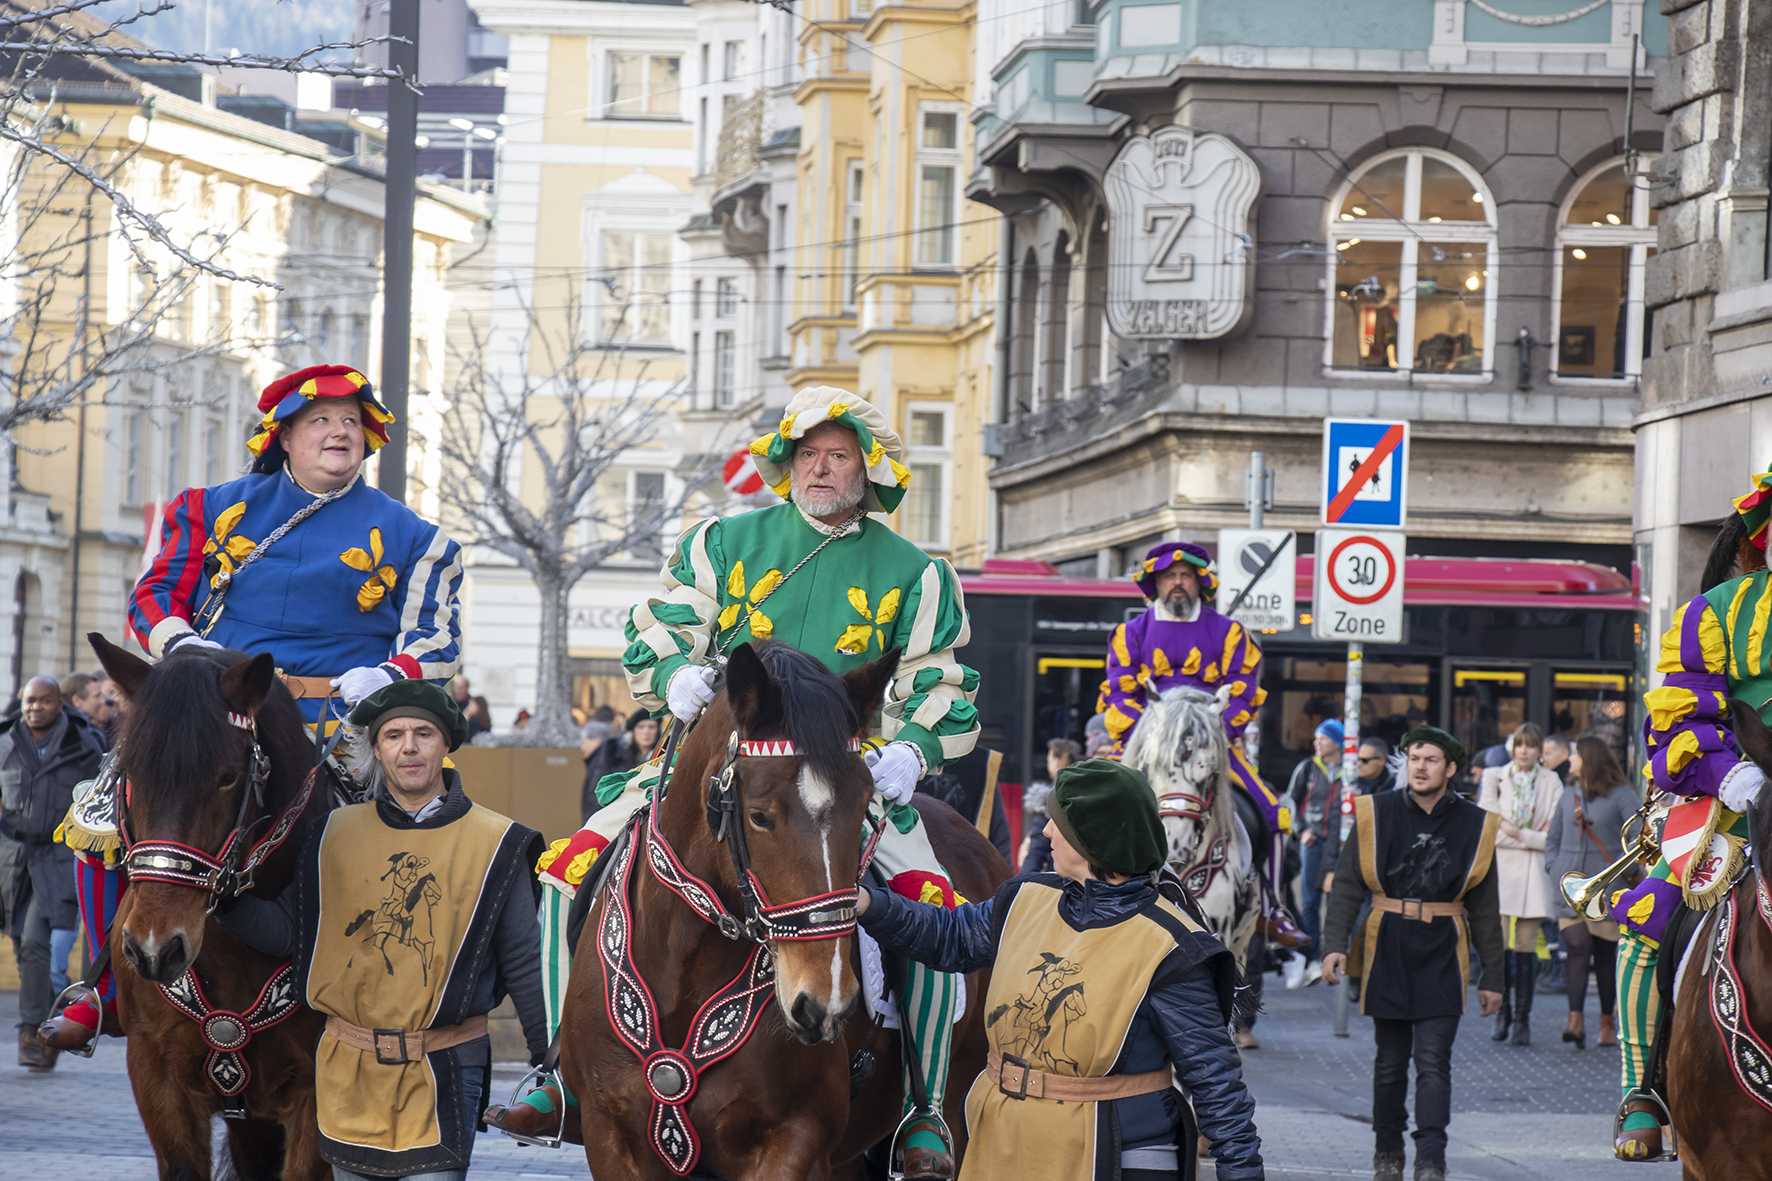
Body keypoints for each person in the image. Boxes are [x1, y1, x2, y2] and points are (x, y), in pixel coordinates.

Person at [499, 388, 979, 1178]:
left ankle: (924, 1108)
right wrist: (674, 673)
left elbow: (944, 681)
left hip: (842, 779)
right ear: (788, 465)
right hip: (713, 762)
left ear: (871, 469)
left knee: (930, 897)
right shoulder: (723, 538)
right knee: (563, 869)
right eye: (809, 455)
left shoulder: (917, 572)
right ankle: (559, 1072)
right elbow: (657, 626)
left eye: (840, 455)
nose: (821, 468)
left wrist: (914, 751)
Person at [44, 363, 466, 1054]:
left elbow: (439, 635)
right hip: (220, 706)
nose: (341, 431)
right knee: (96, 815)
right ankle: (103, 990)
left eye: (352, 422)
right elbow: (153, 595)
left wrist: (389, 672)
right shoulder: (209, 506)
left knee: (418, 840)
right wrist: (182, 644)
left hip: (349, 717)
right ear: (286, 436)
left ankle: (410, 999)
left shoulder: (417, 534)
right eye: (322, 419)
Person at [855, 758, 1264, 1181]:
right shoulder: (1024, 898)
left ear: (1094, 839)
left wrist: (1242, 1172)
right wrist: (867, 904)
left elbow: (1217, 1087)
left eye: (1059, 823)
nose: (1046, 831)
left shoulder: (1173, 949)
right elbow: (947, 936)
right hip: (1002, 1142)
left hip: (1118, 1156)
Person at [218, 680, 548, 1180]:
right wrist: (222, 902)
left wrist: (549, 1062)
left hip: (445, 1068)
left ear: (445, 746)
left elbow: (524, 958)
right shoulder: (331, 834)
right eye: (393, 735)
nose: (409, 747)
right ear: (376, 749)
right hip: (346, 1069)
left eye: (423, 733)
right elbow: (293, 933)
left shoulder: (498, 841)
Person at [1605, 468, 1772, 1160]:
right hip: (1741, 800)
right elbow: (1678, 713)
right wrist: (1726, 771)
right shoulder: (1720, 612)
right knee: (1655, 918)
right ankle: (1640, 1089)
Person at [1320, 727, 1504, 1181]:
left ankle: (1430, 1160)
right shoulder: (1375, 813)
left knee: (1433, 1062)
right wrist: (1333, 946)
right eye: (1414, 758)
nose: (1420, 767)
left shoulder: (1475, 824)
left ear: (1451, 768)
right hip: (1388, 946)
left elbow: (1484, 908)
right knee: (1388, 1063)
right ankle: (1387, 1152)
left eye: (1431, 759)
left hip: (1444, 948)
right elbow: (1346, 885)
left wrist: (1495, 978)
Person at [1099, 541, 1304, 948]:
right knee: (1098, 808)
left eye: (1186, 576)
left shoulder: (1230, 633)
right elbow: (1121, 693)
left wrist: (1214, 733)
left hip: (1214, 742)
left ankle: (1271, 906)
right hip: (1151, 743)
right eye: (1170, 576)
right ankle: (1092, 895)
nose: (1178, 583)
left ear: (1201, 582)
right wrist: (1153, 737)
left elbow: (1244, 690)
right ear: (1155, 582)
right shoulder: (1128, 634)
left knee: (1274, 813)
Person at [0, 675, 103, 1070]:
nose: (35, 708)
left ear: (60, 704)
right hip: (14, 859)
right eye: (29, 701)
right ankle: (48, 1029)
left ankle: (32, 1032)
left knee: (34, 940)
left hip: (61, 859)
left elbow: (98, 801)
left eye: (44, 701)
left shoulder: (84, 745)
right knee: (23, 945)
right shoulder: (7, 741)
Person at [1542, 735, 1633, 1051]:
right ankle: (1575, 1021)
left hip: (1608, 892)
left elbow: (1638, 841)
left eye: (1576, 755)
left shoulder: (1623, 795)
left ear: (1590, 759)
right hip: (1569, 892)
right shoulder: (1569, 794)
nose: (1571, 760)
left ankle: (1606, 1024)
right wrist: (1554, 868)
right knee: (1577, 949)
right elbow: (1552, 839)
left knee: (1606, 958)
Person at [1476, 723, 1561, 1046]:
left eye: (1530, 746)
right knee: (1497, 945)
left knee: (1525, 946)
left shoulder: (1550, 780)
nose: (1524, 751)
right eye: (1519, 745)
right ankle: (1502, 1013)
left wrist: (1518, 834)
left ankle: (1522, 1019)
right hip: (1498, 872)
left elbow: (1551, 837)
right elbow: (1488, 828)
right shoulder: (1493, 777)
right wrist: (1526, 838)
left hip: (1533, 875)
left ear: (1540, 750)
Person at [1287, 719, 1344, 963]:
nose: (1316, 743)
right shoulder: (1307, 767)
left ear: (1337, 742)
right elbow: (1290, 802)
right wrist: (1302, 830)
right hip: (1312, 843)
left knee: (1336, 902)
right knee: (1310, 901)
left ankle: (1333, 953)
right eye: (1316, 738)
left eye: (1322, 738)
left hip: (1340, 846)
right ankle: (1312, 957)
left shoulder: (1350, 771)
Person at [1020, 737, 1081, 874]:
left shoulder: (1047, 804)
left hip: (1059, 880)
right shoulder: (1085, 797)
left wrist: (1021, 886)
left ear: (1056, 762)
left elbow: (1036, 854)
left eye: (1049, 760)